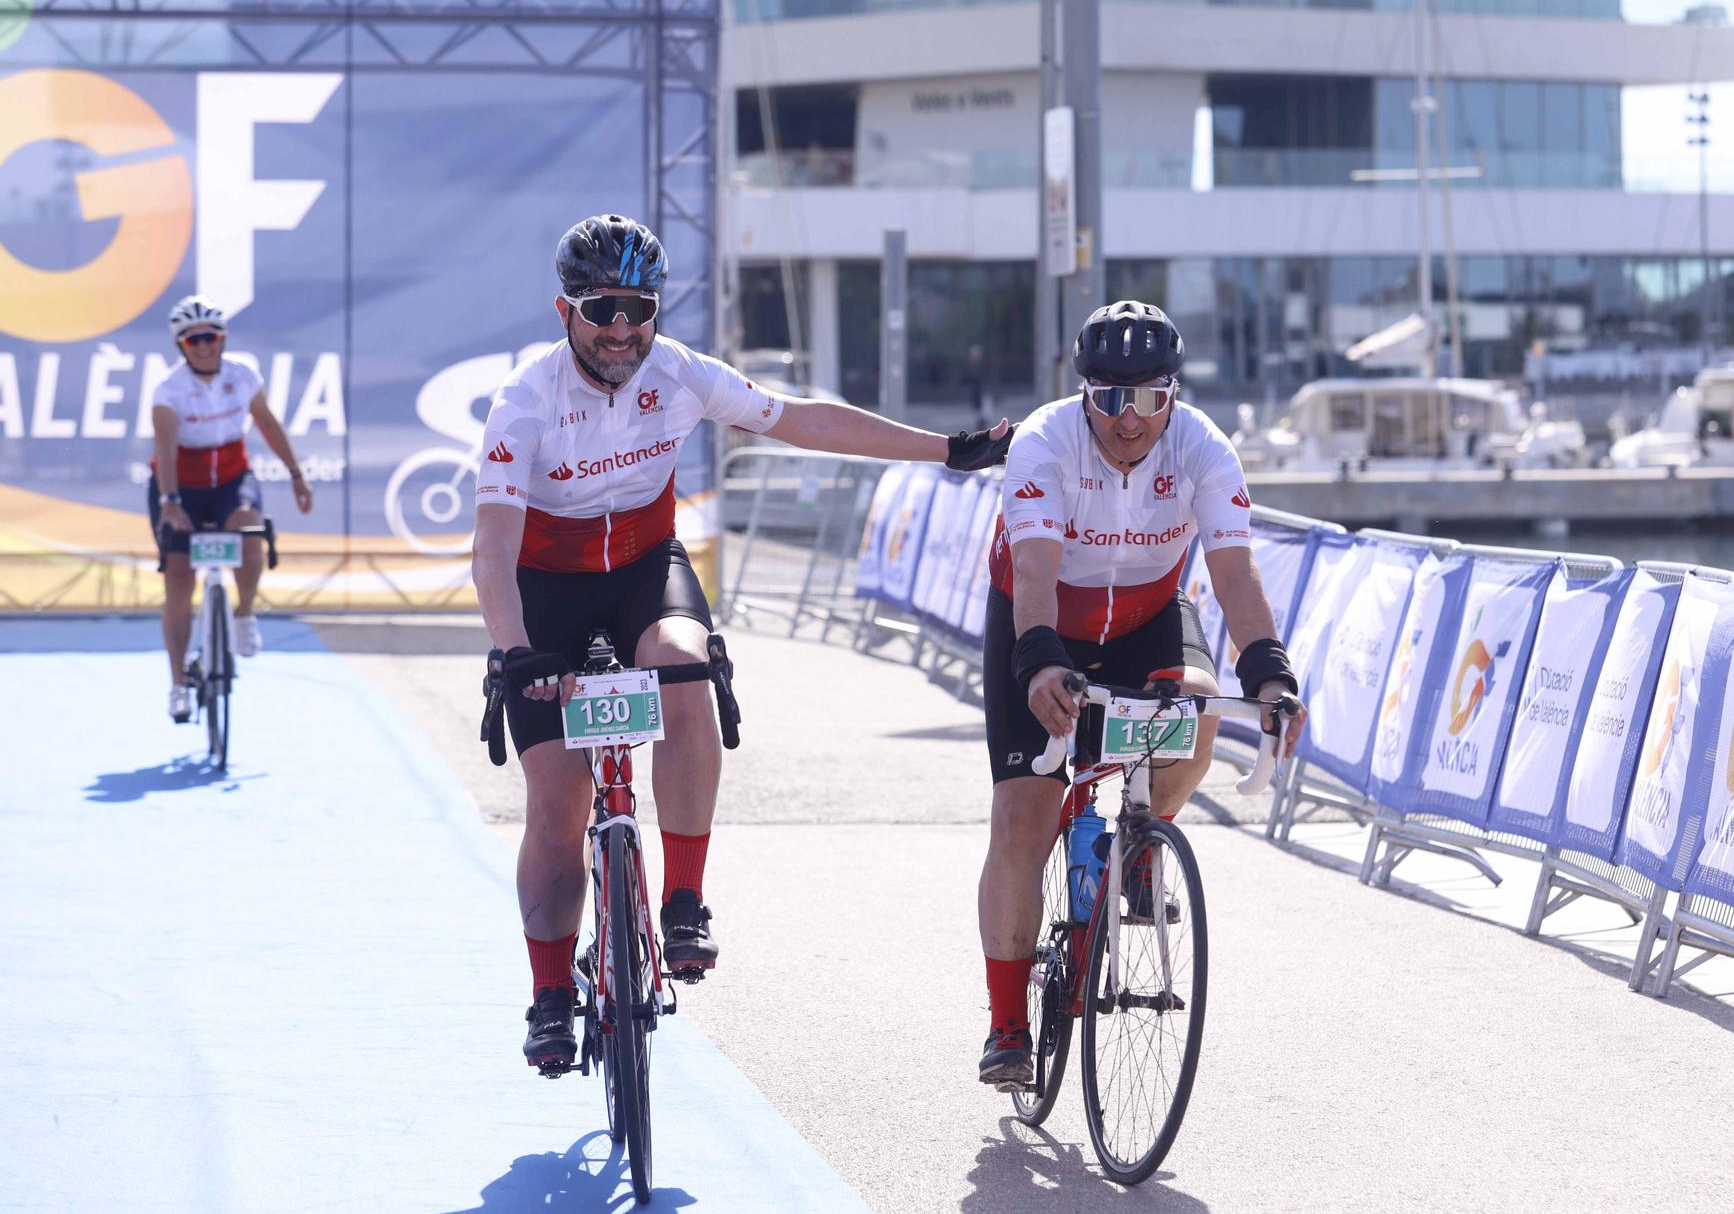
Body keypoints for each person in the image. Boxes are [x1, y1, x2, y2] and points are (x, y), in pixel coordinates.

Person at [474, 213, 1011, 1072]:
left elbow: (806, 421)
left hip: (644, 567)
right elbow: (494, 545)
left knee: (685, 661)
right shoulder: (525, 401)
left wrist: (945, 450)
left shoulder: (680, 372)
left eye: (639, 308)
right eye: (602, 308)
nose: (622, 329)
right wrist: (513, 650)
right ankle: (548, 992)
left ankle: (683, 900)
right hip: (547, 592)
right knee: (557, 801)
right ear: (564, 310)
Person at [974, 299, 1305, 1090]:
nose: (1130, 419)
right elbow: (1035, 575)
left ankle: (1144, 840)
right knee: (1025, 812)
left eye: (1150, 398)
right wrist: (1041, 664)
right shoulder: (1045, 444)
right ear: (1083, 392)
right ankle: (1007, 1021)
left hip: (1150, 614)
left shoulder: (1203, 448)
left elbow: (1233, 574)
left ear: (1174, 395)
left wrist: (1270, 673)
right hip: (1043, 617)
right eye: (1110, 398)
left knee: (1196, 712)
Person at [150, 294, 315, 722]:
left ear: (222, 340)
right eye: (193, 340)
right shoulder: (169, 390)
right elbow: (165, 451)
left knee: (249, 527)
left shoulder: (243, 375)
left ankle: (243, 613)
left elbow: (267, 424)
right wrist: (170, 504)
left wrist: (296, 473)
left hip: (229, 478)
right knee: (180, 581)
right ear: (181, 347)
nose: (204, 345)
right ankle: (178, 684)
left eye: (211, 337)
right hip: (179, 484)